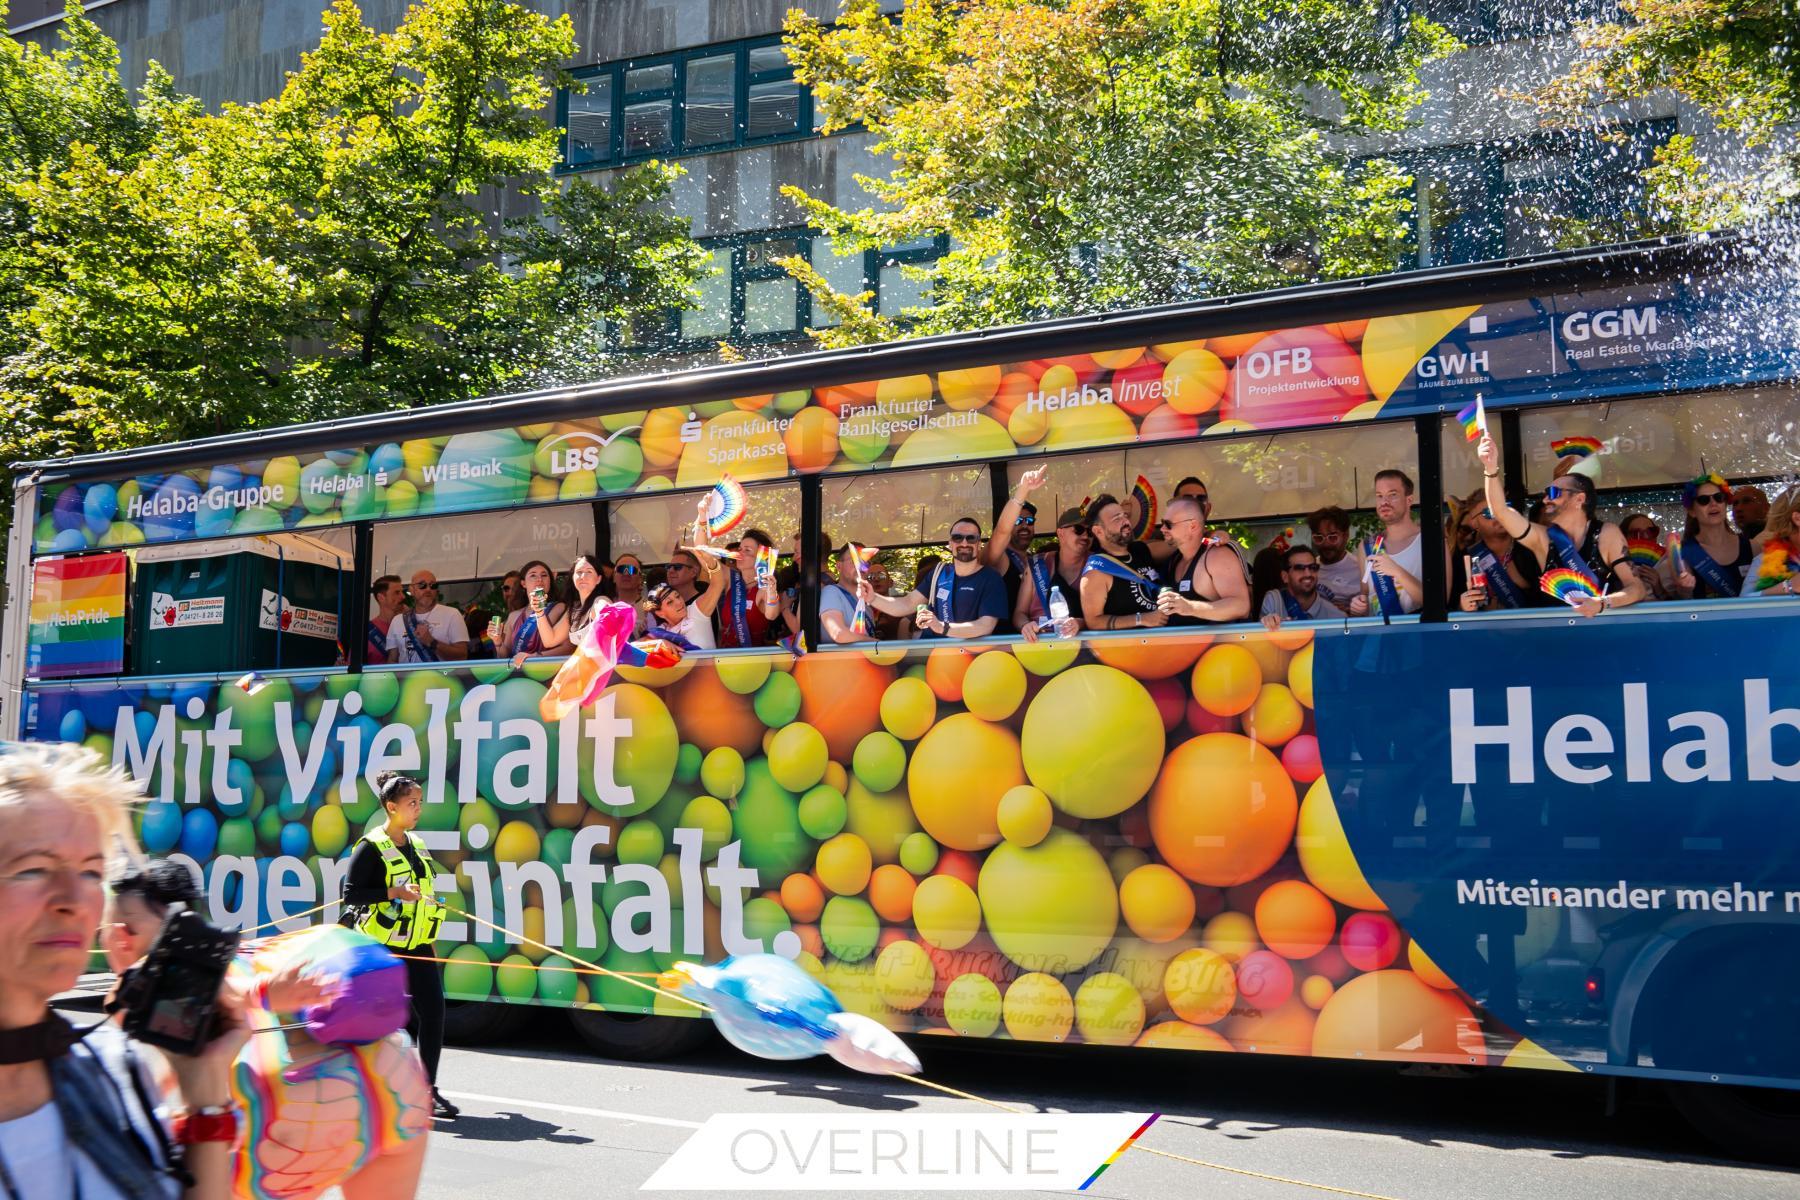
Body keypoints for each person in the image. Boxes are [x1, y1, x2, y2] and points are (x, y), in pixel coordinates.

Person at [0, 741, 244, 1199]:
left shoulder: (116, 1066)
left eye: (91, 872)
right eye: (34, 869)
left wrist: (205, 1093)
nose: (73, 900)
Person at [101, 863, 430, 1200]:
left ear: (121, 935)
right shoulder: (245, 950)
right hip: (398, 1085)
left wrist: (261, 993)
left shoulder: (139, 984)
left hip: (288, 1123)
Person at [342, 772, 456, 1121]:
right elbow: (351, 895)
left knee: (434, 1011)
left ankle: (427, 1089)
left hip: (417, 944)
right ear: (391, 807)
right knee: (377, 1020)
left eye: (419, 803)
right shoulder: (370, 847)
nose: (418, 809)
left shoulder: (417, 844)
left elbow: (423, 890)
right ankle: (360, 1089)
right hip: (382, 947)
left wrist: (430, 915)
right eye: (411, 804)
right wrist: (393, 893)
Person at [1476, 433, 1645, 616]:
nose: (1546, 499)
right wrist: (1490, 467)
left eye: (1554, 492)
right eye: (1546, 492)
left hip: (1600, 633)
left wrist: (1602, 603)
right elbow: (1501, 512)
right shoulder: (1543, 538)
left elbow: (1636, 588)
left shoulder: (1606, 534)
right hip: (1556, 636)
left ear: (1579, 499)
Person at [860, 518, 1008, 639]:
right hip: (934, 659)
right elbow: (906, 604)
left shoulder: (991, 578)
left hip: (970, 661)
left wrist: (941, 627)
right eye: (958, 538)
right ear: (950, 544)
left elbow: (985, 626)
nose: (964, 543)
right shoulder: (938, 573)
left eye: (971, 538)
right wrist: (872, 598)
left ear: (979, 544)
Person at [1155, 497, 1251, 624]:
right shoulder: (1175, 558)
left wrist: (1190, 607)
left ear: (1193, 526)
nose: (1162, 529)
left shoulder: (1217, 555)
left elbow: (1241, 606)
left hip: (1218, 643)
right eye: (1162, 523)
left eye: (1168, 524)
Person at [1079, 494, 1167, 631]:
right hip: (1129, 649)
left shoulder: (1140, 550)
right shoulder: (1096, 571)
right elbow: (1093, 622)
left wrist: (1209, 539)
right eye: (1117, 519)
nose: (1125, 521)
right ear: (1098, 531)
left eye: (1125, 516)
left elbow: (1179, 544)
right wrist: (1141, 619)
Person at [1452, 488, 1544, 611]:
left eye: (1504, 508)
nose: (1499, 516)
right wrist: (1462, 606)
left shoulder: (1531, 549)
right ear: (1474, 522)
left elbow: (1549, 601)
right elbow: (1450, 607)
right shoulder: (1465, 559)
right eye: (1489, 512)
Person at [1353, 469, 1427, 617]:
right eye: (1379, 496)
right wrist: (1359, 606)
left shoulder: (1429, 541)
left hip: (1418, 635)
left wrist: (1397, 571)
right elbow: (1366, 595)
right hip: (1381, 636)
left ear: (1409, 500)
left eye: (1392, 495)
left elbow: (1441, 599)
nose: (1384, 502)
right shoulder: (1367, 546)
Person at [1671, 473, 1754, 600]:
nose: (1713, 503)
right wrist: (1684, 591)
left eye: (1718, 497)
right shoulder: (1682, 553)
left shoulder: (1753, 546)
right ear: (1692, 511)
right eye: (1703, 500)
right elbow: (1683, 601)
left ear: (1725, 504)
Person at [1013, 507, 1090, 641]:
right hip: (1037, 646)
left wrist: (1080, 623)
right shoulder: (1037, 564)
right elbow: (1019, 614)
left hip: (1081, 648)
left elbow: (1101, 618)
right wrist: (1025, 626)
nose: (1085, 536)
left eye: (1089, 532)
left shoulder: (1097, 565)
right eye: (1079, 530)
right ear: (1060, 533)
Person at [985, 466, 1048, 628]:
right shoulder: (1000, 557)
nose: (1025, 526)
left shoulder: (1034, 561)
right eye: (1018, 521)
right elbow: (1001, 532)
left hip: (1033, 638)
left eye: (1030, 521)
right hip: (1003, 641)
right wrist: (1022, 491)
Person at [718, 529, 782, 650]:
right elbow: (704, 556)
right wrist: (703, 519)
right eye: (740, 549)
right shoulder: (731, 579)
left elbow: (771, 615)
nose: (740, 553)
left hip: (753, 660)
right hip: (725, 658)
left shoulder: (763, 589)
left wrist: (772, 590)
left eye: (747, 550)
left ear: (761, 558)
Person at [386, 570, 469, 662]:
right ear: (411, 590)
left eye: (433, 585)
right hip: (407, 677)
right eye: (422, 585)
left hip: (442, 676)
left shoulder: (452, 614)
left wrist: (432, 642)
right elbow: (392, 659)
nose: (428, 589)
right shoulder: (398, 621)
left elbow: (462, 656)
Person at [504, 559, 571, 668]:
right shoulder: (513, 616)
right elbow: (504, 656)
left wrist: (535, 657)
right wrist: (497, 642)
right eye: (533, 576)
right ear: (523, 583)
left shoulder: (560, 608)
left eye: (544, 575)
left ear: (550, 581)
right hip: (518, 675)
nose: (539, 579)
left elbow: (568, 648)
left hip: (548, 672)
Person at [1260, 545, 1339, 627]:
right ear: (1285, 577)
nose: (1308, 574)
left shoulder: (1335, 617)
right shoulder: (1275, 601)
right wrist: (1268, 623)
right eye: (1299, 568)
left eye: (1313, 567)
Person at [1306, 506, 1363, 614]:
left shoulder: (1360, 568)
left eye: (1333, 537)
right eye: (1319, 538)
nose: (1326, 544)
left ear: (1345, 536)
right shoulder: (1308, 569)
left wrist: (1351, 611)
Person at [1147, 476, 1213, 564]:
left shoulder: (1217, 540)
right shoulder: (1158, 535)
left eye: (1201, 499)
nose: (1195, 503)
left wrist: (1213, 537)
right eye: (1187, 498)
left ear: (1208, 508)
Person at [819, 545, 877, 644]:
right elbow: (838, 634)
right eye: (854, 560)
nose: (860, 566)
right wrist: (875, 642)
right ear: (839, 566)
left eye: (865, 561)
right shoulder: (831, 592)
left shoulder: (867, 603)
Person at [1618, 513, 1670, 600]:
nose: (1646, 536)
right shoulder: (1614, 561)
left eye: (1651, 531)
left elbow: (1681, 605)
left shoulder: (1669, 562)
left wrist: (1659, 588)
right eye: (1636, 533)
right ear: (1624, 537)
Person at [366, 575, 403, 665]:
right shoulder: (366, 631)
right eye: (397, 593)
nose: (403, 597)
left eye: (402, 592)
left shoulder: (407, 625)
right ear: (381, 598)